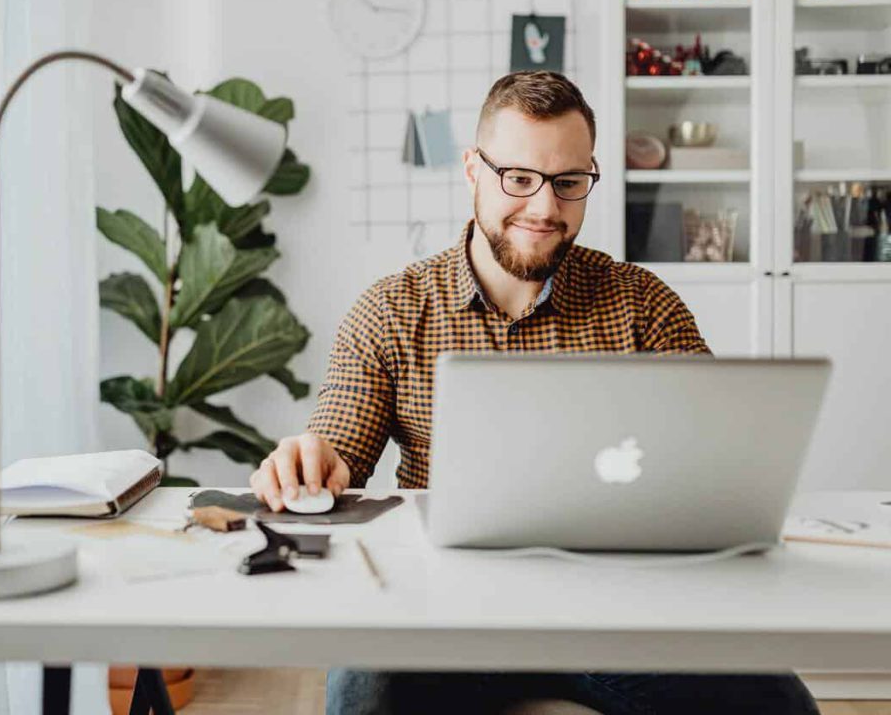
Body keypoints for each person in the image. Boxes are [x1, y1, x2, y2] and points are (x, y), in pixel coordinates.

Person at [249, 71, 819, 715]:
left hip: (622, 611)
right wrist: (311, 462)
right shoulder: (391, 310)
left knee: (778, 703)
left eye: (569, 183)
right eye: (518, 178)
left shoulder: (643, 305)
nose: (545, 208)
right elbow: (337, 448)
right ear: (473, 169)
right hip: (444, 613)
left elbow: (716, 463)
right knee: (364, 695)